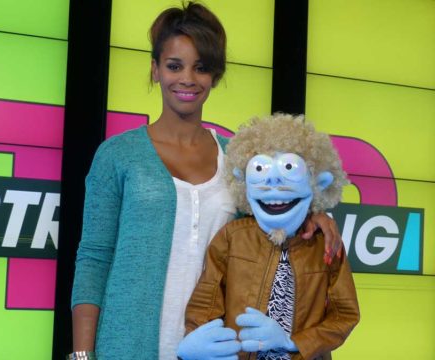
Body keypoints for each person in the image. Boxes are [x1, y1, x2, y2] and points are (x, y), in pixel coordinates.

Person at [68, 3, 343, 360]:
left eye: (201, 67)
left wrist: (312, 216)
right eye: (174, 65)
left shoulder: (239, 161)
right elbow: (94, 259)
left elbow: (272, 227)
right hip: (128, 347)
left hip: (218, 350)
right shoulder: (117, 155)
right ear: (154, 70)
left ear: (214, 75)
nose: (187, 79)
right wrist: (82, 356)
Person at [180, 114, 360, 360]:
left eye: (289, 169)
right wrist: (198, 339)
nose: (273, 183)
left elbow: (344, 314)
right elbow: (207, 301)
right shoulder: (233, 237)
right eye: (260, 169)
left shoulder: (325, 244)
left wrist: (293, 342)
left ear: (318, 182)